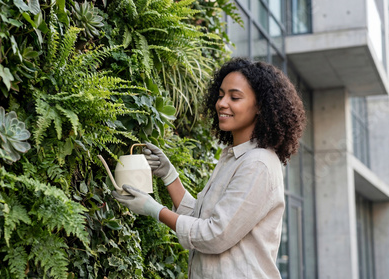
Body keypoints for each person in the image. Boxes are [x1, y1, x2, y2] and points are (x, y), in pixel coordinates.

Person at [112, 57, 306, 278]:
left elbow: (215, 235)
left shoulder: (257, 163)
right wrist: (169, 176)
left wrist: (154, 209)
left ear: (261, 106)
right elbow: (201, 220)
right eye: (221, 95)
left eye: (235, 97)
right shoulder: (234, 157)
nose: (222, 103)